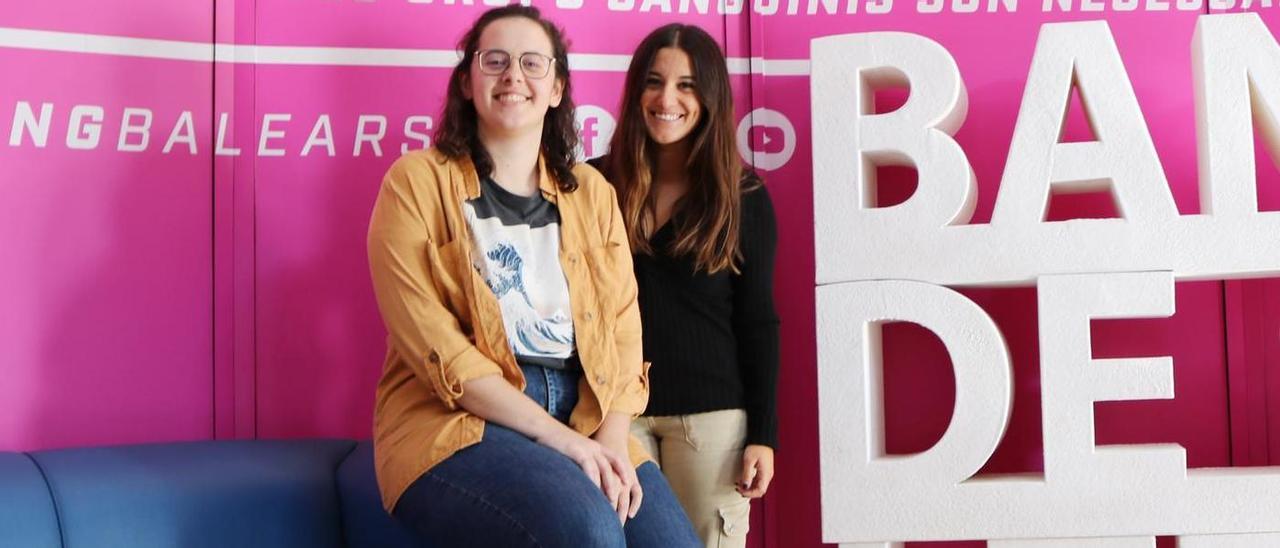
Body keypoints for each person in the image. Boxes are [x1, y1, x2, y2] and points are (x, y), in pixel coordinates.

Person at [366, 6, 700, 546]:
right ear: (468, 84)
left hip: (585, 417)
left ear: (557, 88)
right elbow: (436, 348)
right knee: (587, 528)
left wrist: (611, 442)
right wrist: (564, 444)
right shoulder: (415, 183)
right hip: (458, 424)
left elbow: (621, 330)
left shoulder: (592, 194)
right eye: (494, 60)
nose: (513, 76)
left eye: (531, 63)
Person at [592, 23, 781, 548]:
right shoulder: (594, 185)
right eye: (654, 82)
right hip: (614, 419)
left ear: (711, 97)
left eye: (686, 85)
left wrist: (763, 435)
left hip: (713, 426)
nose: (666, 99)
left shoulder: (743, 196)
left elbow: (758, 321)